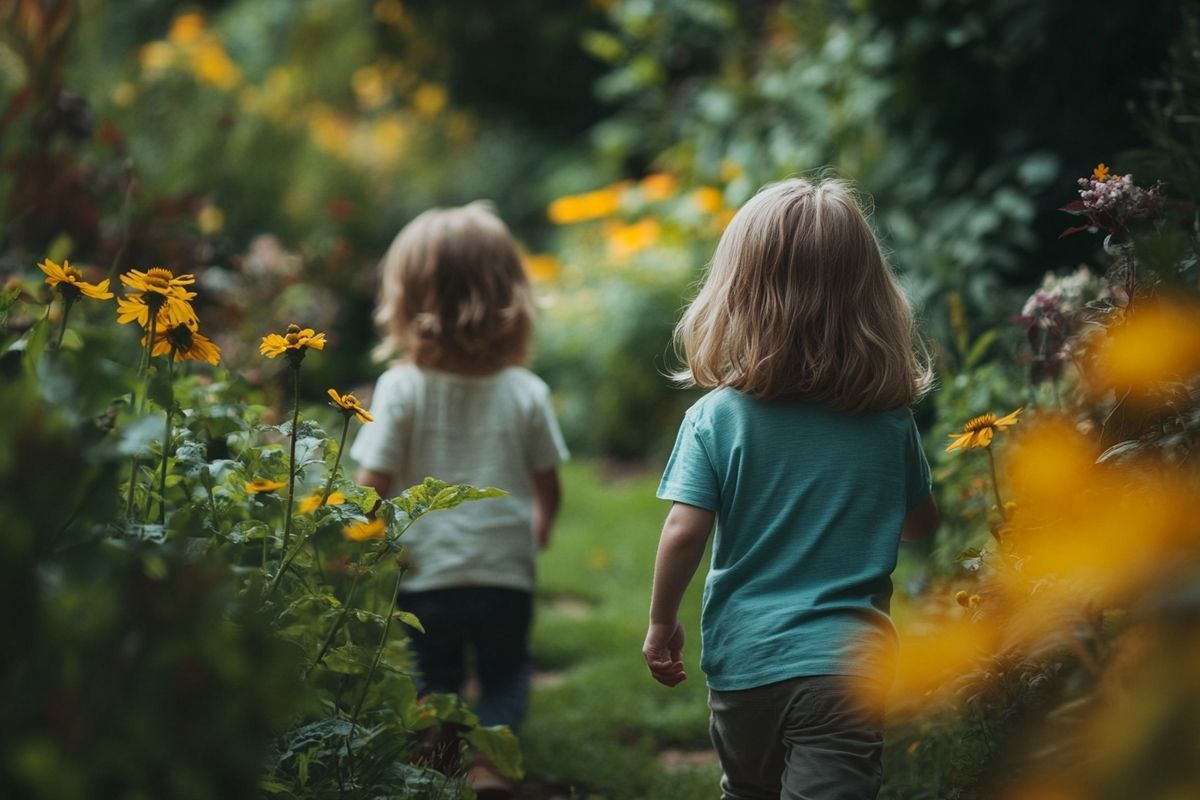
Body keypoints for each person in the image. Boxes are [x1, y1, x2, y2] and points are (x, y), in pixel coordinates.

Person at [642, 177, 939, 800]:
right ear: (871, 296)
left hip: (746, 662)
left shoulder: (717, 417)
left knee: (748, 789)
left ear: (737, 294)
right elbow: (920, 525)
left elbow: (684, 530)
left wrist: (662, 621)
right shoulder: (888, 422)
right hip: (849, 666)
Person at [351, 202, 568, 798]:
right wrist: (540, 524)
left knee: (434, 676)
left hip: (424, 574)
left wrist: (358, 543)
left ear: (408, 299)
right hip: (504, 571)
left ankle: (440, 756)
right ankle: (492, 764)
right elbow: (548, 481)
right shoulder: (526, 391)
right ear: (509, 296)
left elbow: (373, 480)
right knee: (505, 672)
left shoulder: (401, 386)